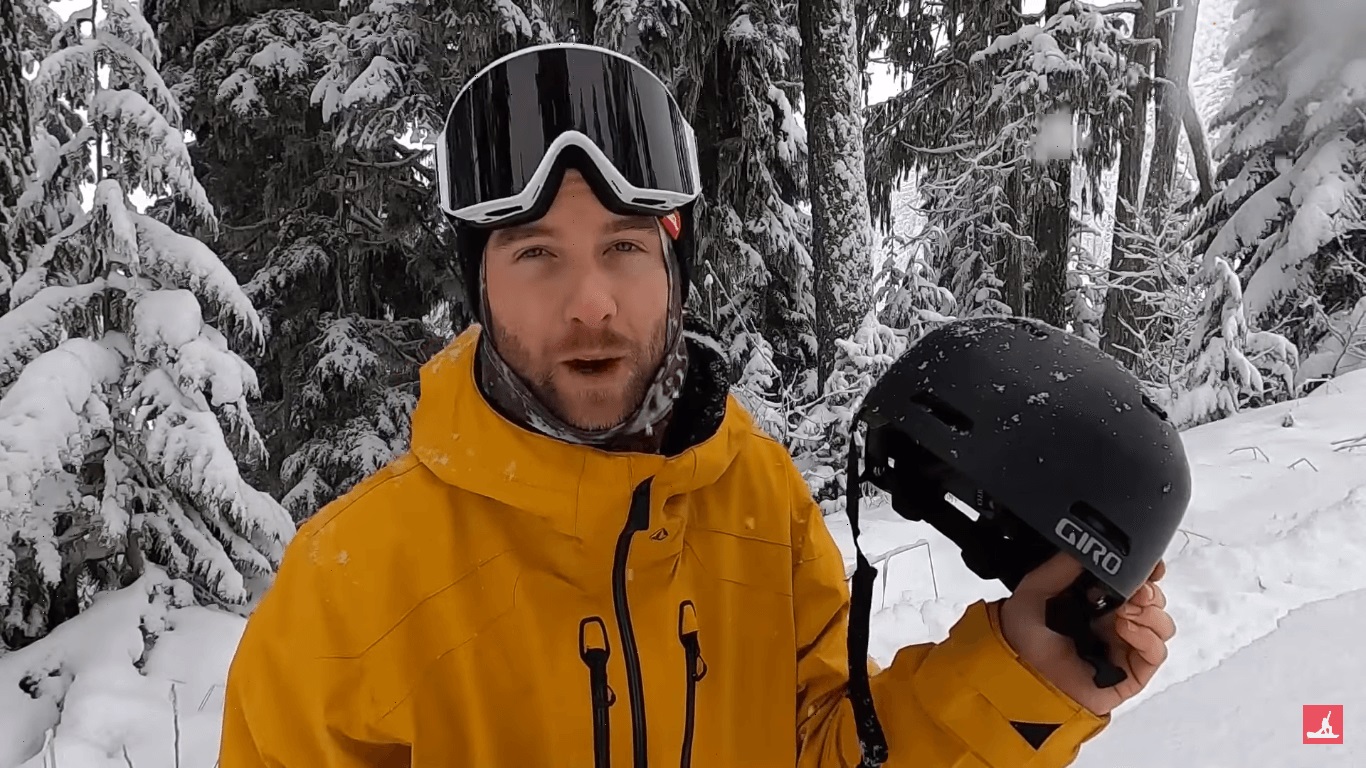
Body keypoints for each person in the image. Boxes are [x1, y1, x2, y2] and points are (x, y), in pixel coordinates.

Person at [218, 42, 1176, 768]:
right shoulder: (347, 590)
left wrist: (1025, 669)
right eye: (537, 252)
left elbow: (829, 750)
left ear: (675, 265)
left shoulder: (753, 497)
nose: (590, 301)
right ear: (477, 283)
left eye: (626, 246)